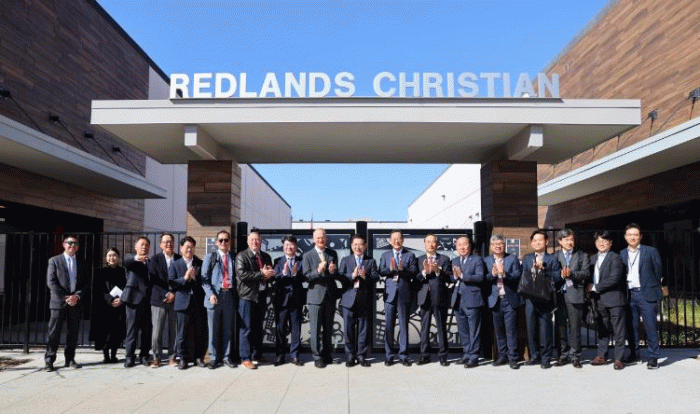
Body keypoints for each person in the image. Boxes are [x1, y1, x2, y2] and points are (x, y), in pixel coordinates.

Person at [621, 223, 663, 369]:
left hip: (646, 294)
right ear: (625, 237)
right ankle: (634, 355)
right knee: (631, 327)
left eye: (635, 235)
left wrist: (652, 286)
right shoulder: (622, 254)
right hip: (629, 294)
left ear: (640, 237)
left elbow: (658, 271)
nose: (632, 237)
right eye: (630, 235)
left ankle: (653, 357)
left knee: (650, 326)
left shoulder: (650, 251)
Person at [44, 235, 86, 371]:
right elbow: (51, 282)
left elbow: (85, 283)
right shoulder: (54, 261)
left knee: (73, 333)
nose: (72, 245)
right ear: (63, 244)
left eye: (75, 243)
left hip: (75, 303)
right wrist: (65, 297)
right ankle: (49, 360)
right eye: (69, 243)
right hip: (58, 302)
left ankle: (70, 359)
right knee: (54, 333)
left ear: (78, 247)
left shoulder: (82, 262)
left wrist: (77, 296)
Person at [521, 230, 561, 369]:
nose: (537, 243)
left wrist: (543, 269)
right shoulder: (527, 258)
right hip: (530, 297)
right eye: (535, 241)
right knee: (531, 328)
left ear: (546, 242)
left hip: (545, 297)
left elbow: (558, 277)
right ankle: (534, 355)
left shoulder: (552, 258)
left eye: (540, 240)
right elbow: (523, 276)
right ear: (531, 243)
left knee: (545, 329)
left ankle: (546, 358)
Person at [338, 234, 379, 367]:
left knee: (363, 330)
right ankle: (350, 356)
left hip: (364, 300)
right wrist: (352, 276)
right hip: (348, 300)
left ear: (365, 246)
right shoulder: (345, 260)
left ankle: (361, 355)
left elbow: (376, 277)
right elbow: (340, 277)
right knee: (348, 330)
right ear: (351, 246)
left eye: (360, 244)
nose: (357, 247)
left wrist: (365, 276)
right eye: (355, 244)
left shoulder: (370, 261)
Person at [236, 230, 275, 369]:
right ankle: (245, 358)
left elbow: (269, 273)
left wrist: (269, 274)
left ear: (261, 242)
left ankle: (256, 355)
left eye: (257, 240)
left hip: (261, 296)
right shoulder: (242, 256)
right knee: (246, 328)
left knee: (258, 328)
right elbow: (242, 275)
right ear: (248, 242)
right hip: (247, 297)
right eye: (252, 240)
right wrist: (261, 274)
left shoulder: (266, 256)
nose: (255, 242)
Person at [588, 230, 627, 370]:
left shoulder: (616, 258)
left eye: (604, 241)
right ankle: (601, 356)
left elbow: (614, 279)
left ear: (610, 243)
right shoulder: (592, 259)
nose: (601, 243)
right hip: (598, 300)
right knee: (602, 329)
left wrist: (594, 287)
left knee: (618, 330)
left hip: (614, 299)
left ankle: (619, 358)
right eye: (598, 241)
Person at [379, 230, 418, 366]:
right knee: (389, 326)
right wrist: (391, 269)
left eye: (399, 238)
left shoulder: (410, 255)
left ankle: (403, 355)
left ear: (403, 240)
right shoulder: (385, 255)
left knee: (403, 326)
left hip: (404, 294)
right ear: (390, 241)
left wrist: (402, 270)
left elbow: (414, 273)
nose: (396, 241)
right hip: (390, 295)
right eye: (394, 238)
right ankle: (389, 355)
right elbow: (381, 271)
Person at [303, 228, 340, 368]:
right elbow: (306, 276)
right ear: (314, 239)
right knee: (315, 329)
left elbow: (335, 275)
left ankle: (327, 353)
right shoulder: (307, 255)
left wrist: (333, 271)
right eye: (318, 237)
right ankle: (317, 356)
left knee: (328, 328)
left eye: (323, 237)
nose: (321, 240)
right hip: (315, 296)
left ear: (326, 239)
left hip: (330, 296)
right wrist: (318, 271)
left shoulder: (332, 253)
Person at [483, 235, 522, 370]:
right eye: (495, 244)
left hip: (509, 299)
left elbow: (517, 276)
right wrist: (493, 275)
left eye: (500, 244)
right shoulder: (486, 260)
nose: (498, 246)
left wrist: (504, 274)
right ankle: (502, 355)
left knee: (511, 330)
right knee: (498, 330)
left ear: (504, 246)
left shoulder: (512, 258)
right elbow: (484, 279)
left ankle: (513, 358)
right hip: (495, 300)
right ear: (491, 246)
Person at [553, 229, 590, 368]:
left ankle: (575, 356)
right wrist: (560, 274)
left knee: (575, 328)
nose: (569, 242)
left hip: (575, 294)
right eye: (566, 239)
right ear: (560, 241)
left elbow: (586, 273)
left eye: (571, 239)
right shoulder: (555, 255)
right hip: (559, 294)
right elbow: (551, 272)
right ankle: (562, 355)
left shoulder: (582, 255)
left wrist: (572, 274)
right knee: (560, 327)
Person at [202, 230, 238, 369]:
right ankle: (213, 358)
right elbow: (204, 279)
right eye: (221, 240)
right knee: (213, 329)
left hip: (229, 295)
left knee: (228, 329)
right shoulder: (210, 257)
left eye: (226, 240)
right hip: (214, 296)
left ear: (230, 242)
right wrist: (210, 294)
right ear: (217, 242)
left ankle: (226, 357)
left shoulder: (233, 257)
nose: (223, 242)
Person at [415, 234, 452, 366]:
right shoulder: (419, 260)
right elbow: (415, 279)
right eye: (428, 242)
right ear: (424, 244)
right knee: (424, 327)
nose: (431, 244)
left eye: (433, 242)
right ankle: (424, 355)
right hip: (424, 297)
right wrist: (424, 272)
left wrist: (438, 271)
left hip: (439, 297)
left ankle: (443, 356)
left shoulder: (444, 259)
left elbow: (449, 278)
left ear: (437, 244)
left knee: (441, 327)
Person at [169, 236, 205, 369]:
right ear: (181, 248)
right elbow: (172, 283)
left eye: (192, 247)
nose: (189, 249)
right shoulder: (175, 264)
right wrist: (184, 278)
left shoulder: (199, 263)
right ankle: (182, 358)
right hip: (182, 302)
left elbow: (204, 282)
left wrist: (195, 278)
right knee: (182, 332)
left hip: (197, 302)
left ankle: (198, 357)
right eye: (187, 247)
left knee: (199, 331)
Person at [451, 235, 486, 368]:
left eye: (464, 244)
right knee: (463, 329)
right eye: (459, 245)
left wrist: (463, 276)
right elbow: (453, 278)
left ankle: (474, 356)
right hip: (458, 299)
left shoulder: (477, 260)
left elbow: (480, 277)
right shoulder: (454, 260)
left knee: (474, 330)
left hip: (472, 299)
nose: (462, 247)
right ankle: (466, 354)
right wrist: (454, 277)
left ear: (470, 246)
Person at [272, 235, 305, 366]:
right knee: (280, 329)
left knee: (296, 329)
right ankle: (280, 356)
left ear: (295, 247)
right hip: (281, 300)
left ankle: (295, 356)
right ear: (283, 247)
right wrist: (284, 273)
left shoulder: (301, 260)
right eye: (286, 245)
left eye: (291, 245)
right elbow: (275, 277)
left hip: (296, 299)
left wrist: (296, 273)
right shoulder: (277, 261)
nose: (289, 247)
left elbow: (304, 277)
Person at [148, 233, 180, 368]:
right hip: (158, 300)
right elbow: (153, 280)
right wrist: (167, 293)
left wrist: (174, 293)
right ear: (161, 245)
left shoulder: (179, 259)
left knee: (175, 330)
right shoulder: (155, 259)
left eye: (171, 241)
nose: (169, 244)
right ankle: (157, 357)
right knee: (157, 332)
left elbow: (181, 279)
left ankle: (173, 357)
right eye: (166, 242)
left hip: (176, 300)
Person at [121, 236, 153, 368]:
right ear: (136, 247)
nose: (144, 247)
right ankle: (129, 356)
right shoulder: (130, 259)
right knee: (132, 330)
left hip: (148, 301)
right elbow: (126, 261)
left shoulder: (150, 262)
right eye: (142, 244)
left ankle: (144, 355)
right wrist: (137, 258)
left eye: (147, 245)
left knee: (147, 330)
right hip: (133, 300)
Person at [91, 248, 126, 363]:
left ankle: (114, 354)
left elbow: (126, 288)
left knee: (117, 331)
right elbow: (98, 289)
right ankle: (106, 355)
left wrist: (121, 300)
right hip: (105, 306)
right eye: (109, 255)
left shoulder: (123, 272)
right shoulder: (101, 272)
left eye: (114, 255)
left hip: (119, 306)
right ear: (106, 258)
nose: (112, 258)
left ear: (118, 257)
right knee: (105, 332)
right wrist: (110, 300)